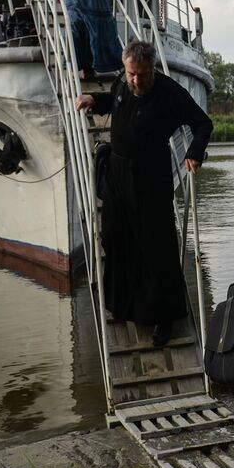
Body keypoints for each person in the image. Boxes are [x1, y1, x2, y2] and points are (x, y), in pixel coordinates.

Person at [76, 40, 213, 347]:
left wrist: (195, 152)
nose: (136, 80)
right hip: (118, 173)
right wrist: (93, 100)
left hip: (151, 177)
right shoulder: (122, 83)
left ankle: (163, 318)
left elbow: (203, 124)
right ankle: (123, 304)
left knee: (155, 247)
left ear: (152, 68)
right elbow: (113, 100)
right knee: (113, 236)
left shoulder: (170, 93)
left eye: (142, 74)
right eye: (131, 73)